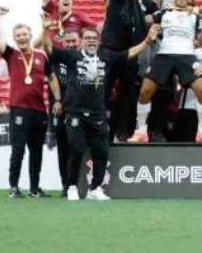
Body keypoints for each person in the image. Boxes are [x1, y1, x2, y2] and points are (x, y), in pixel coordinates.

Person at [50, 26, 157, 201]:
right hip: (75, 112)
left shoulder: (105, 56)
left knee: (101, 151)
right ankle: (72, 186)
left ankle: (95, 188)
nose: (91, 41)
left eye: (94, 38)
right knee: (76, 148)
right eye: (87, 38)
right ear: (81, 41)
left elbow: (128, 54)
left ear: (98, 41)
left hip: (97, 113)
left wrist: (146, 42)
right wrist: (44, 29)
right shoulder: (72, 56)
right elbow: (47, 48)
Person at [129, 0, 202, 143]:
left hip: (187, 55)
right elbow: (146, 19)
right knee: (145, 91)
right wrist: (147, 17)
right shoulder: (165, 12)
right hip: (164, 55)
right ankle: (141, 131)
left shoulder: (195, 16)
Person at [0, 8, 59, 198]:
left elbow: (52, 77)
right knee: (18, 150)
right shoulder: (11, 54)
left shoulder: (41, 56)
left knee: (37, 152)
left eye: (24, 34)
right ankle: (14, 187)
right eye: (18, 35)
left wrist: (58, 99)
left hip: (40, 110)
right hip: (19, 109)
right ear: (14, 38)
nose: (21, 37)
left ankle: (34, 189)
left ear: (30, 35)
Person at [99, 0, 158, 142]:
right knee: (103, 93)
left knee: (127, 97)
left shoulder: (148, 1)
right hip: (109, 51)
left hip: (131, 54)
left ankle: (122, 133)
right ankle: (97, 130)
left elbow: (153, 19)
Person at [47, 30, 80, 197]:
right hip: (60, 110)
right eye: (68, 41)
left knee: (78, 147)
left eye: (74, 41)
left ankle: (79, 183)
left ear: (79, 41)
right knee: (63, 149)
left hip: (79, 110)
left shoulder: (83, 58)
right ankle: (65, 185)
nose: (71, 44)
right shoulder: (55, 59)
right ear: (62, 43)